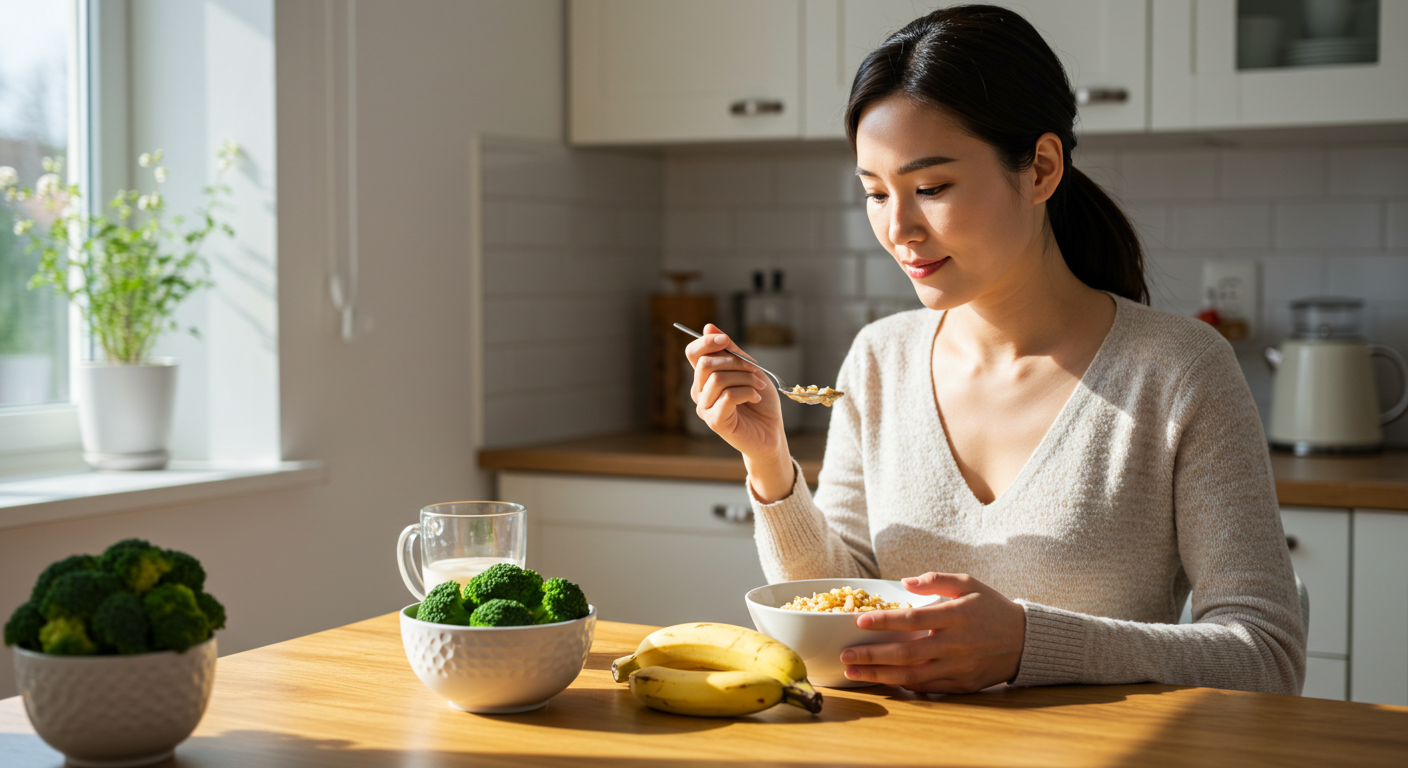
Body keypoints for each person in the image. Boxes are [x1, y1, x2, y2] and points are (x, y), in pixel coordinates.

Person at [685, 5, 1304, 696]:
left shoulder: (1179, 370)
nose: (898, 229)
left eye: (931, 188)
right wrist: (768, 462)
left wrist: (1029, 646)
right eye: (874, 194)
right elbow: (845, 607)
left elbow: (1266, 654)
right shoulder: (878, 358)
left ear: (1040, 168)